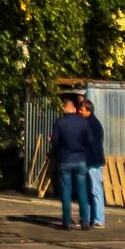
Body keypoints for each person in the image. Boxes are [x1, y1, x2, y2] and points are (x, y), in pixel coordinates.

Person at [49, 92, 92, 231]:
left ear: (65, 108)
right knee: (82, 192)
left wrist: (55, 150)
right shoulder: (84, 123)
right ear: (74, 108)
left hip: (65, 160)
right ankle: (85, 221)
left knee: (65, 191)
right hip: (80, 160)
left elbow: (55, 141)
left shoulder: (60, 122)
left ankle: (67, 221)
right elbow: (90, 141)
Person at [75, 95, 108, 227]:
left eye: (82, 109)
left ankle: (98, 219)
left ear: (89, 110)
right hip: (89, 161)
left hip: (92, 162)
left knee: (95, 190)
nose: (79, 111)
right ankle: (88, 219)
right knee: (89, 190)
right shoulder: (90, 123)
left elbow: (89, 143)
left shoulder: (92, 125)